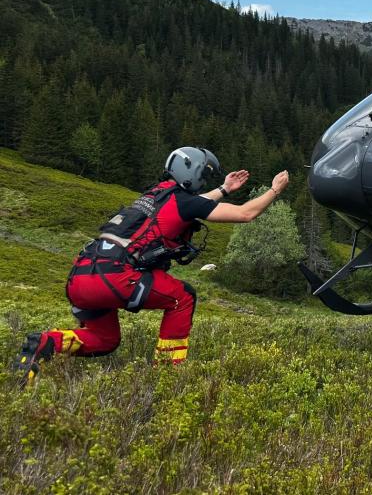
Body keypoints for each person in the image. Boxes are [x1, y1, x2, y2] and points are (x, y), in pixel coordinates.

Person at [12, 146, 290, 386]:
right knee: (183, 297)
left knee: (105, 340)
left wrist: (224, 189)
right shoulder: (181, 202)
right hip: (116, 277)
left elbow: (195, 203)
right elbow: (245, 213)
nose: (203, 182)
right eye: (203, 175)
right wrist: (274, 191)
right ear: (191, 172)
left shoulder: (155, 195)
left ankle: (46, 344)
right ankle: (168, 375)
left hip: (81, 276)